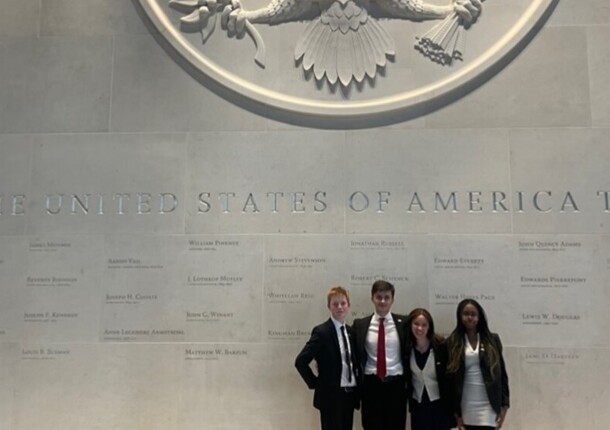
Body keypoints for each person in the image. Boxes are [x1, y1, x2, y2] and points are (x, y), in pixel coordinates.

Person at [295, 286, 359, 430]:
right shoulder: (322, 332)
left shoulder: (351, 332)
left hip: (349, 395)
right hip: (330, 396)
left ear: (348, 305)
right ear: (328, 306)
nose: (339, 307)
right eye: (335, 304)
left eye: (343, 303)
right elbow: (300, 361)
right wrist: (315, 383)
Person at [446, 299, 510, 430]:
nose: (469, 317)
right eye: (465, 314)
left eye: (473, 314)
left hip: (489, 403)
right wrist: (455, 412)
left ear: (479, 316)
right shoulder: (453, 342)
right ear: (459, 316)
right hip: (466, 403)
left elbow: (502, 374)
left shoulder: (492, 340)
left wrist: (505, 405)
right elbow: (450, 379)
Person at [353, 280, 407, 430]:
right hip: (371, 385)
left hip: (396, 385)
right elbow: (345, 347)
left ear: (392, 300)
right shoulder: (360, 325)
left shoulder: (404, 324)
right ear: (372, 298)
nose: (382, 301)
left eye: (386, 297)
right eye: (379, 297)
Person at [404, 308, 455, 430]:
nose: (420, 328)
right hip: (418, 404)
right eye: (416, 324)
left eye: (424, 325)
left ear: (429, 327)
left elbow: (449, 377)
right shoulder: (407, 348)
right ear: (410, 325)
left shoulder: (441, 347)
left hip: (440, 404)